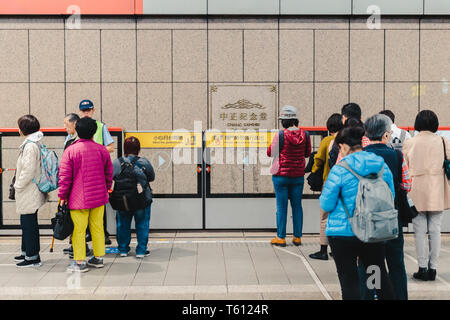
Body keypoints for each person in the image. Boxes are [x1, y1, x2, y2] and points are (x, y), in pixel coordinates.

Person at [319, 125, 396, 300]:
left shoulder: (339, 170)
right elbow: (391, 197)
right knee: (377, 276)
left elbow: (326, 204)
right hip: (374, 231)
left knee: (350, 281)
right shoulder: (381, 167)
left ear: (344, 146)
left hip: (343, 234)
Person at [359, 114, 412, 300]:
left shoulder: (359, 157)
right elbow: (406, 185)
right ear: (386, 135)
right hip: (392, 218)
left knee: (368, 263)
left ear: (366, 133)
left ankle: (371, 296)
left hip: (366, 220)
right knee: (396, 263)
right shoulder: (397, 156)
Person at [58, 117, 113, 272]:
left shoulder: (71, 150)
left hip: (78, 198)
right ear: (94, 132)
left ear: (77, 130)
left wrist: (62, 195)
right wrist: (107, 188)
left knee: (79, 230)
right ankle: (98, 258)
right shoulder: (102, 150)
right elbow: (109, 173)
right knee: (97, 228)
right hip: (99, 197)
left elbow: (64, 177)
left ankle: (80, 262)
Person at [403, 110, 450, 281]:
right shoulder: (443, 141)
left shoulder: (410, 142)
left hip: (416, 190)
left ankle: (422, 267)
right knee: (435, 230)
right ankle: (433, 268)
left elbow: (405, 167)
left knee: (419, 230)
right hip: (437, 189)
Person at [267, 105, 311, 247]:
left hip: (281, 176)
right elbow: (307, 153)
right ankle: (297, 237)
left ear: (283, 121)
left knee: (282, 206)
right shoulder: (305, 135)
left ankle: (281, 237)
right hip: (298, 175)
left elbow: (270, 152)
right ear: (295, 120)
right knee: (297, 205)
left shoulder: (280, 135)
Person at [78, 99, 114, 245]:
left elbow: (111, 147)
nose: (86, 113)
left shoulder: (100, 126)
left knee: (100, 203)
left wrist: (96, 152)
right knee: (83, 204)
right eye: (83, 110)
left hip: (96, 169)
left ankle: (102, 233)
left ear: (93, 110)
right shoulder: (77, 126)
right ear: (80, 111)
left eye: (89, 110)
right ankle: (87, 233)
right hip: (81, 170)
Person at [14, 115, 47, 267]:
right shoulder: (32, 143)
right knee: (26, 222)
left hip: (28, 190)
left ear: (24, 129)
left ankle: (32, 256)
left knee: (29, 223)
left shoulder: (30, 146)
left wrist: (18, 185)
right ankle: (26, 251)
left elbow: (28, 170)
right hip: (29, 190)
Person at [113, 137, 155, 258]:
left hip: (123, 199)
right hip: (142, 199)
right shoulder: (144, 162)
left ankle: (123, 249)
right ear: (138, 149)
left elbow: (110, 177)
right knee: (142, 223)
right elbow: (151, 177)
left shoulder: (117, 162)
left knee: (122, 224)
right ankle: (141, 250)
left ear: (124, 148)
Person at [309, 113, 343, 260]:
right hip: (344, 183)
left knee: (325, 216)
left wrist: (314, 171)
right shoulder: (346, 140)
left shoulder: (327, 141)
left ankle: (323, 249)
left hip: (329, 182)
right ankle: (337, 249)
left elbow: (318, 159)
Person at [61, 113, 93, 258]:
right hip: (79, 189)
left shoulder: (76, 144)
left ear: (75, 124)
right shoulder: (70, 140)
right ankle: (76, 246)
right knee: (77, 223)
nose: (65, 127)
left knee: (79, 224)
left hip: (77, 190)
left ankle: (80, 252)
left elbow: (68, 172)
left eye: (67, 125)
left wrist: (63, 193)